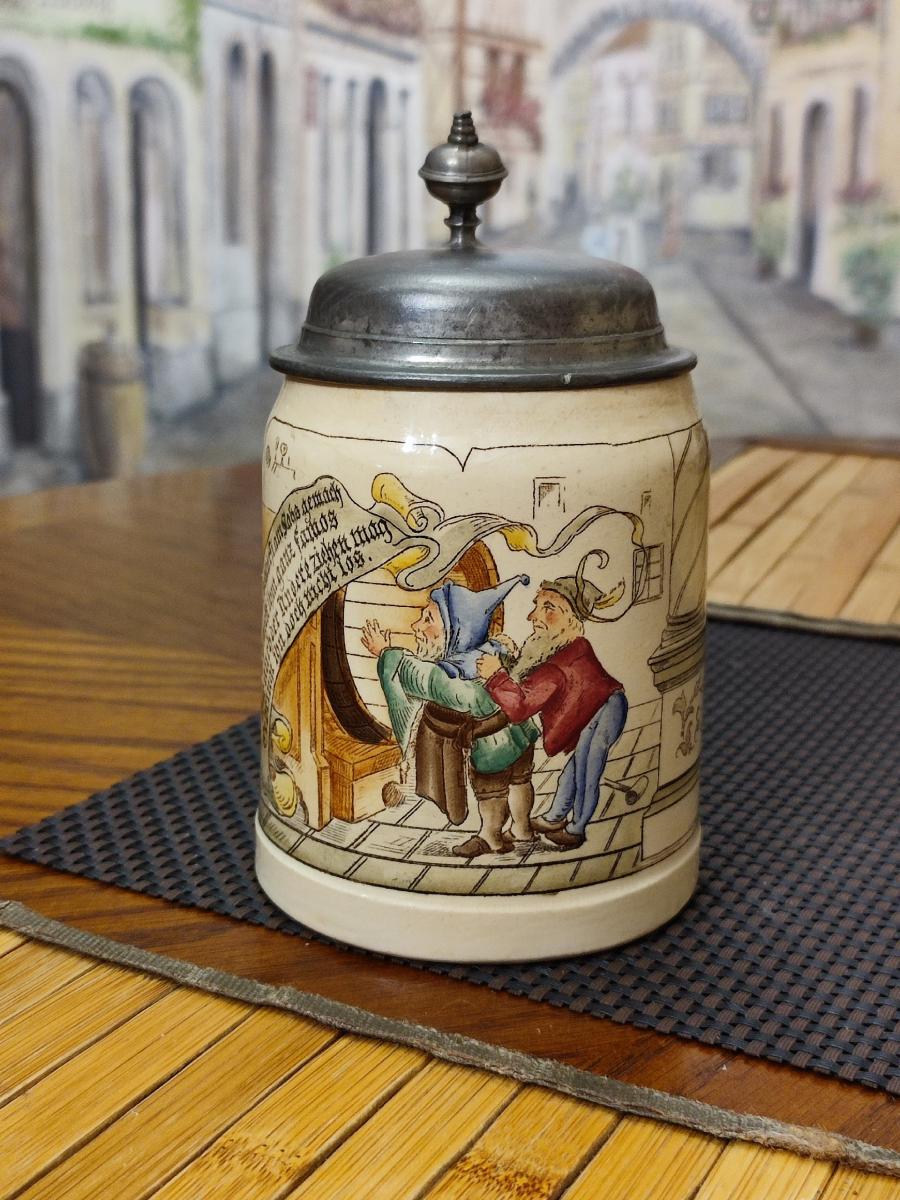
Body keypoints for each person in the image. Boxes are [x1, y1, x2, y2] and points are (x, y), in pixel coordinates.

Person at [362, 576, 538, 858]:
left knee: (491, 792)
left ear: (457, 631)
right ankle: (522, 829)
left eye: (428, 620)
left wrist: (386, 654)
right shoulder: (490, 651)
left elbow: (427, 679)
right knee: (520, 780)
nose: (417, 627)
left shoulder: (456, 672)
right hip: (520, 733)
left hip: (492, 748)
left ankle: (492, 837)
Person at [476, 555, 627, 850]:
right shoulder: (560, 648)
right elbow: (530, 675)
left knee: (587, 770)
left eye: (549, 609)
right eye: (537, 606)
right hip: (597, 709)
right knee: (575, 767)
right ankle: (555, 817)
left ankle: (576, 828)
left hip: (606, 708)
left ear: (571, 619)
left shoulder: (562, 661)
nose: (533, 617)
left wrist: (495, 676)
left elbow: (522, 706)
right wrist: (507, 662)